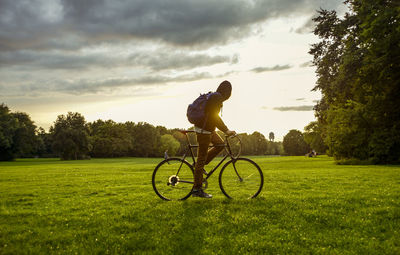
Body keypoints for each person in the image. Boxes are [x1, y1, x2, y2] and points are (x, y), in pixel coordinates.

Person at [191, 80, 236, 198]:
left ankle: (198, 166)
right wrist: (226, 130)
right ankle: (197, 189)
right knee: (201, 159)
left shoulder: (216, 97)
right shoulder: (216, 98)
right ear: (228, 92)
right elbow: (214, 117)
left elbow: (213, 118)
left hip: (208, 130)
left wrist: (224, 130)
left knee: (220, 145)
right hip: (203, 130)